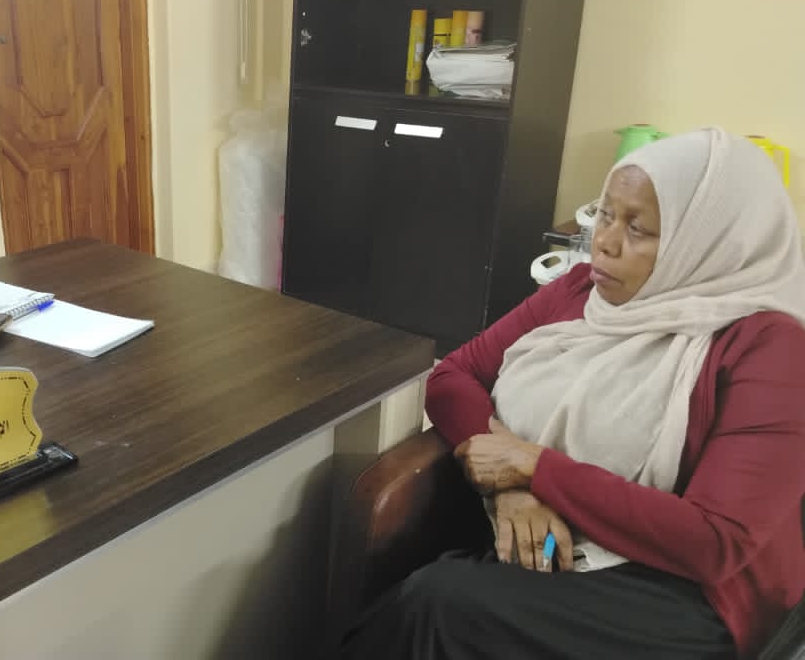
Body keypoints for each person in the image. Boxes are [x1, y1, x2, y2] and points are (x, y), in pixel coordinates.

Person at [338, 128, 805, 659]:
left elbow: (716, 542)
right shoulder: (582, 289)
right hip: (557, 534)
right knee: (429, 598)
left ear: (707, 244)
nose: (605, 241)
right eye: (605, 214)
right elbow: (452, 376)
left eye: (638, 229)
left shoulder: (770, 348)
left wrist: (536, 468)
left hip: (686, 592)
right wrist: (511, 489)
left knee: (439, 605)